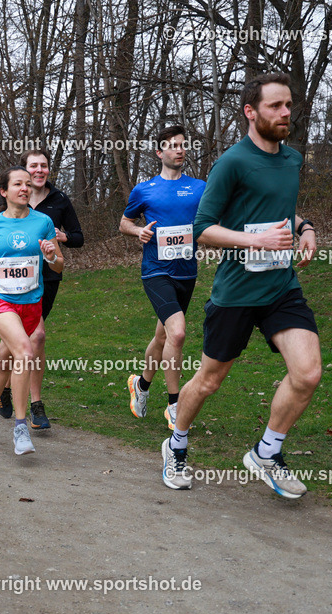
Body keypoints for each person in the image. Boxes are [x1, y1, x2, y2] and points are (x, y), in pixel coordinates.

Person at [163, 73, 320, 498]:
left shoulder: (292, 160)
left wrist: (304, 227)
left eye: (288, 105)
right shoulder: (232, 162)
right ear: (251, 112)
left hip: (280, 287)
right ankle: (175, 443)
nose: (285, 113)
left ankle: (267, 452)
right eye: (275, 106)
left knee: (307, 374)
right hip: (236, 291)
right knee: (209, 381)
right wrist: (257, 240)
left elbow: (282, 207)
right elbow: (201, 228)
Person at [0, 167, 63, 455]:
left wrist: (51, 257)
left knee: (4, 361)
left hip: (31, 304)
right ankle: (21, 428)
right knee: (25, 352)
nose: (24, 188)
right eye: (17, 184)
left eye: (27, 185)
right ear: (4, 191)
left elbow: (59, 264)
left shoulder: (44, 222)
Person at [0, 149, 82, 429]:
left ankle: (11, 393)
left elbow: (78, 238)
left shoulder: (59, 200)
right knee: (33, 338)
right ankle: (24, 401)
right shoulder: (4, 203)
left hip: (45, 281)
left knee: (23, 341)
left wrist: (57, 238)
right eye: (33, 167)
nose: (38, 171)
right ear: (24, 171)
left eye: (43, 166)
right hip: (8, 288)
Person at [121, 126, 206, 430]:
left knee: (162, 337)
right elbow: (125, 222)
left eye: (183, 145)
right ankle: (174, 405)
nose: (179, 150)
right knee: (178, 333)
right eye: (172, 146)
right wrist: (138, 231)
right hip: (156, 271)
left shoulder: (199, 188)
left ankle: (141, 385)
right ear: (159, 153)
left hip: (187, 272)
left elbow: (212, 222)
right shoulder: (144, 189)